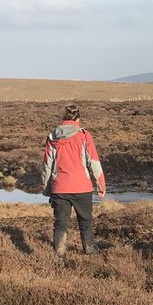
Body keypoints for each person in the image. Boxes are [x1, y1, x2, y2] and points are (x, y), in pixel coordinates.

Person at [41, 104, 106, 259]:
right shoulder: (84, 136)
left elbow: (47, 165)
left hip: (60, 187)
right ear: (78, 118)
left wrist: (45, 186)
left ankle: (60, 255)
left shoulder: (53, 137)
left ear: (64, 118)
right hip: (82, 187)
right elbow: (93, 162)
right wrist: (101, 185)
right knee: (85, 220)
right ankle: (89, 249)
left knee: (60, 222)